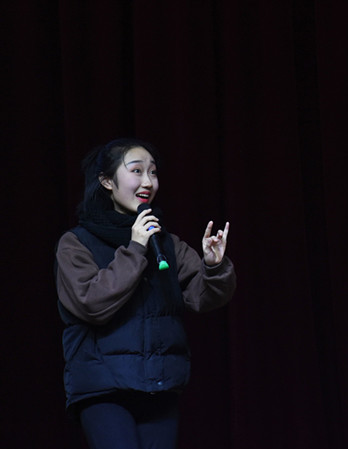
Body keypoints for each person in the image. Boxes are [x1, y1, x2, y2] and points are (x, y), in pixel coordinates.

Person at [55, 138, 236, 449]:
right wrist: (136, 248)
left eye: (153, 172)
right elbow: (91, 303)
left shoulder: (166, 243)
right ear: (107, 181)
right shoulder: (76, 243)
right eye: (136, 171)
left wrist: (213, 265)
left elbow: (203, 297)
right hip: (103, 388)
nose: (148, 182)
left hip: (158, 386)